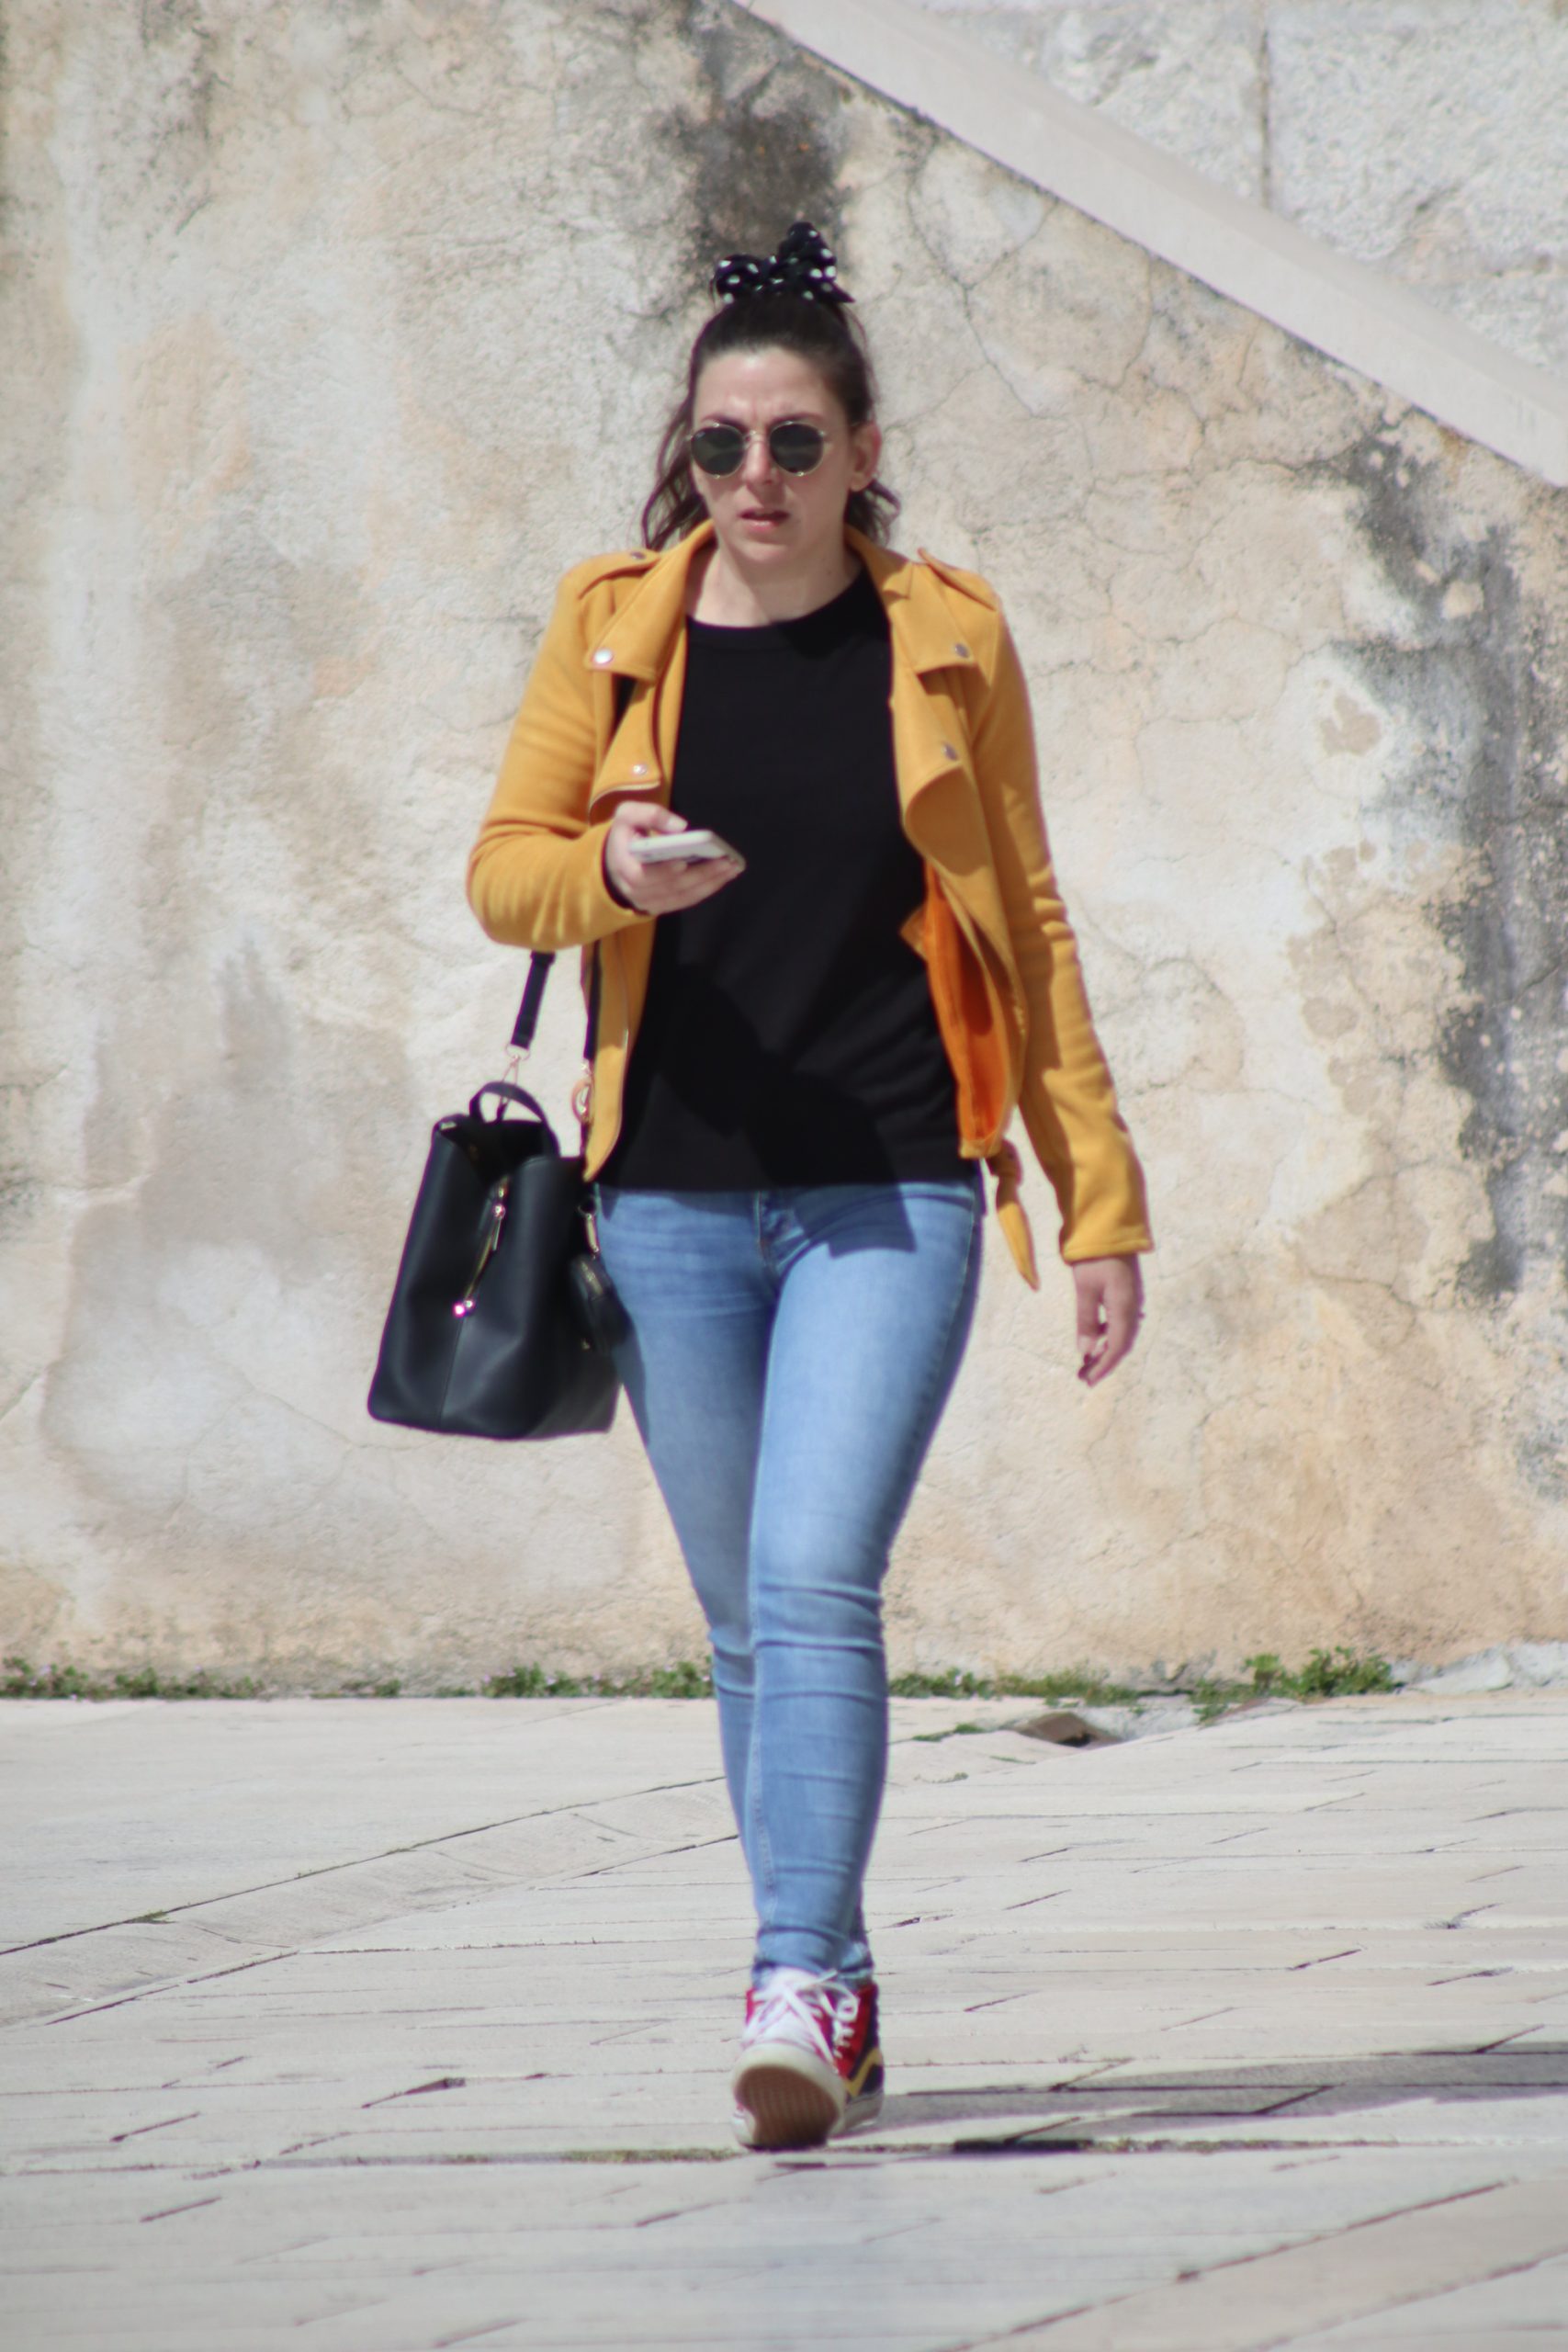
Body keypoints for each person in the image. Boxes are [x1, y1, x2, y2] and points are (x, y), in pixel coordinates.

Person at [467, 221, 1152, 2152]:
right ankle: (829, 1988)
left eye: (790, 442)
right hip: (667, 1197)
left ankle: (793, 1975)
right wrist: (611, 879)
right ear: (682, 456)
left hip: (889, 1181)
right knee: (747, 1622)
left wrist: (1098, 1196)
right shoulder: (615, 626)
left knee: (809, 1575)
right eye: (718, 444)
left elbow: (1026, 917)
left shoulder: (947, 639)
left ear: (862, 452)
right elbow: (503, 868)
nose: (752, 477)